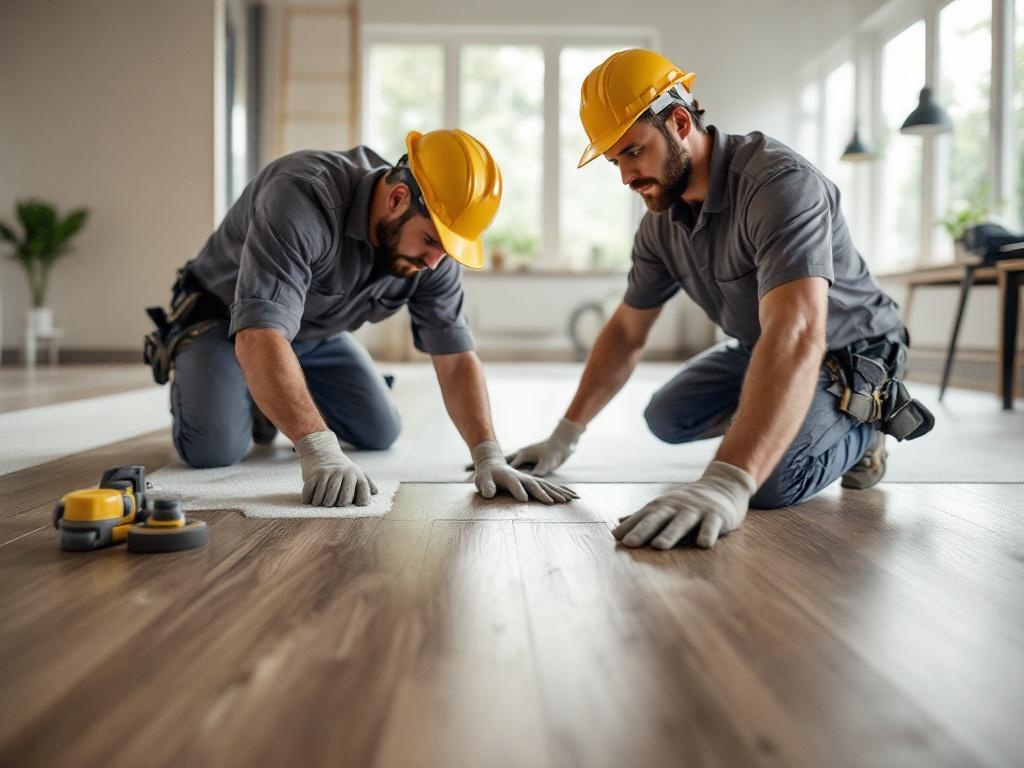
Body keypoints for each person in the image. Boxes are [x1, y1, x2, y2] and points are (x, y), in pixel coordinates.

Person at [508, 49, 932, 549]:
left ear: (680, 121)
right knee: (667, 417)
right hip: (763, 346)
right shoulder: (659, 225)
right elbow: (625, 332)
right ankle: (789, 414)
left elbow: (798, 332)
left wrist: (728, 478)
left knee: (770, 482)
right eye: (613, 160)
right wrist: (564, 436)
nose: (624, 176)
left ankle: (864, 424)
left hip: (854, 351)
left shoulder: (778, 186)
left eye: (633, 151)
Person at [144, 128, 576, 508]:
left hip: (314, 334)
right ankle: (241, 384)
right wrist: (318, 449)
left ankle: (268, 394)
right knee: (214, 448)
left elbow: (456, 357)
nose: (433, 262)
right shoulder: (301, 194)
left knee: (379, 430)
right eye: (430, 241)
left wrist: (488, 453)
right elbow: (259, 334)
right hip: (225, 323)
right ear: (397, 197)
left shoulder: (435, 255)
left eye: (447, 249)